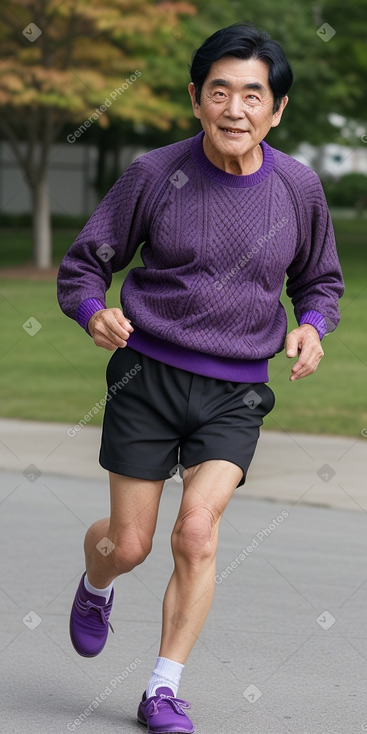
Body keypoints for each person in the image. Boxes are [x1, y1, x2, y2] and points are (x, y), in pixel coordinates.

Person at [57, 21, 344, 734]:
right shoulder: (153, 174)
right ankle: (97, 584)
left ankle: (163, 687)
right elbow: (86, 263)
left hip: (235, 389)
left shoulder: (297, 188)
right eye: (220, 91)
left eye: (253, 94)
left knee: (197, 533)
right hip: (147, 377)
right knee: (129, 544)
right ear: (195, 98)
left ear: (276, 110)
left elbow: (320, 282)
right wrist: (93, 311)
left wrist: (311, 325)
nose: (235, 109)